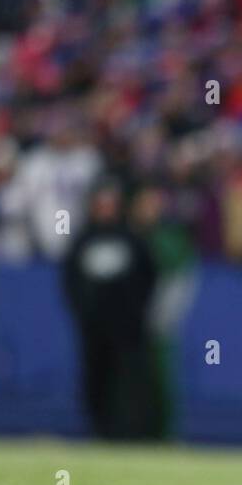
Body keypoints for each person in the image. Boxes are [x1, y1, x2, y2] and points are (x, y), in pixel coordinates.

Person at [63, 179, 157, 440]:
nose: (106, 210)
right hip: (93, 327)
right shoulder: (83, 241)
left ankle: (128, 431)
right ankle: (98, 429)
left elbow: (148, 279)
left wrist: (134, 313)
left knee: (127, 380)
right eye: (101, 205)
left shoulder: (133, 240)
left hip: (126, 328)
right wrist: (84, 313)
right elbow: (70, 281)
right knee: (95, 377)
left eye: (110, 205)